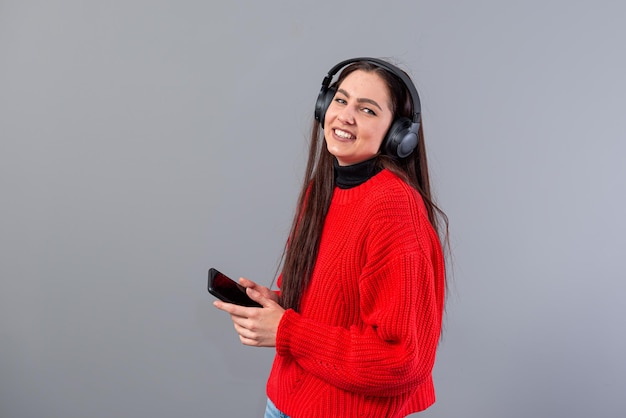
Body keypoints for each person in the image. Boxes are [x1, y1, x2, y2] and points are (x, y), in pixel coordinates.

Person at [213, 57, 448, 418]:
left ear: (400, 135)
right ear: (323, 107)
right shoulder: (320, 190)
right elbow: (329, 309)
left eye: (367, 110)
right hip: (283, 403)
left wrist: (287, 331)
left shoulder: (394, 208)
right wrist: (277, 305)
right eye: (340, 100)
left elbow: (402, 359)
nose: (346, 116)